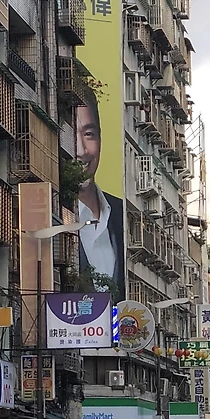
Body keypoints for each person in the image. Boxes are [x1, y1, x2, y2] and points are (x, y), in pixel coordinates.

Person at [74, 91, 125, 298]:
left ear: (101, 137)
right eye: (70, 133)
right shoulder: (48, 215)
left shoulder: (122, 214)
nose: (81, 150)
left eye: (89, 134)